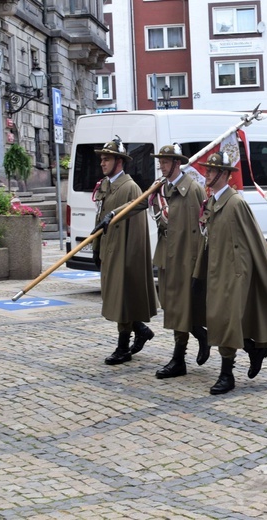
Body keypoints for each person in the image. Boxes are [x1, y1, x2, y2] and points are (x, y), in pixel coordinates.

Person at [94, 143, 209, 379]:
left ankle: (180, 358)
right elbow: (138, 205)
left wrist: (198, 263)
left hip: (187, 256)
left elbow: (202, 227)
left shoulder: (194, 189)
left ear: (177, 163)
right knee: (171, 305)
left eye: (165, 162)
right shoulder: (160, 189)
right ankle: (200, 334)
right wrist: (114, 215)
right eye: (161, 161)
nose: (161, 165)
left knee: (181, 306)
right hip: (167, 254)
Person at [195, 152, 267, 395]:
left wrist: (239, 275)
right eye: (208, 170)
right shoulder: (212, 202)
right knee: (219, 320)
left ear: (224, 174)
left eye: (212, 171)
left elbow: (250, 241)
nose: (207, 174)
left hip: (233, 274)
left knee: (226, 320)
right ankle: (254, 349)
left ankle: (227, 374)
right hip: (215, 272)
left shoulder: (235, 203)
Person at [91, 137, 157, 365]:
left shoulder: (130, 188)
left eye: (107, 159)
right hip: (109, 250)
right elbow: (101, 219)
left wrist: (129, 259)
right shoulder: (106, 185)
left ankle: (123, 348)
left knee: (122, 300)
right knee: (116, 299)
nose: (102, 163)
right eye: (102, 159)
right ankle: (141, 330)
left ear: (120, 161)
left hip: (124, 253)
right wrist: (96, 247)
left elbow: (137, 230)